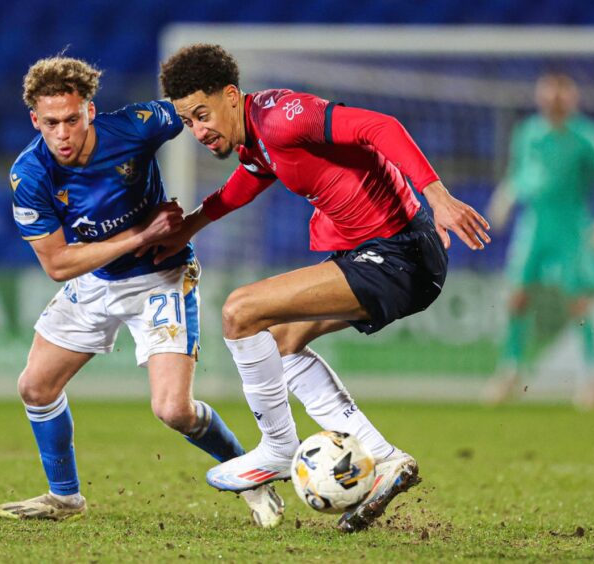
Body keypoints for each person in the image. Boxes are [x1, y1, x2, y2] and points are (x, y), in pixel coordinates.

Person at [155, 43, 490, 532]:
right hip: (388, 255)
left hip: (399, 251)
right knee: (281, 340)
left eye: (202, 114)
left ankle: (277, 448)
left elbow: (382, 128)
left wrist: (437, 196)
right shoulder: (256, 141)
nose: (199, 130)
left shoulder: (283, 118)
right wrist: (190, 225)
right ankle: (383, 458)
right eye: (187, 122)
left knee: (240, 311)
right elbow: (245, 182)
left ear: (231, 95)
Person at [0, 56, 284, 527]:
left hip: (159, 278)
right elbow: (57, 264)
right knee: (35, 386)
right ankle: (64, 497)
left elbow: (195, 108)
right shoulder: (30, 175)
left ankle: (252, 474)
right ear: (35, 121)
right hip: (94, 278)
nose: (62, 133)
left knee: (173, 410)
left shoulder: (136, 126)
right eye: (50, 124)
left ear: (89, 109)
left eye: (71, 119)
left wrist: (238, 135)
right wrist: (140, 235)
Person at [484, 73, 594, 410]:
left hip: (571, 227)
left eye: (560, 94)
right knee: (517, 296)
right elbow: (520, 172)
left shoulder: (587, 136)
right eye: (548, 94)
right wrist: (507, 193)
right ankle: (511, 368)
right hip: (534, 224)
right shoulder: (528, 132)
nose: (554, 100)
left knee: (578, 302)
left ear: (572, 97)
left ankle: (592, 378)